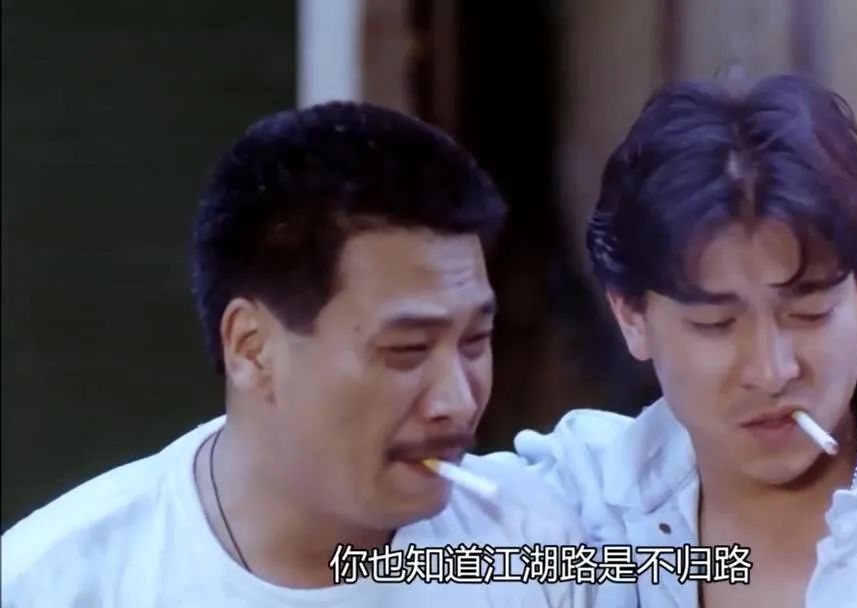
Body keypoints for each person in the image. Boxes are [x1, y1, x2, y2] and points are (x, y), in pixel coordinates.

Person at [511, 73, 857, 607]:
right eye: (715, 324)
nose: (772, 370)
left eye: (809, 313)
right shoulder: (578, 515)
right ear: (631, 316)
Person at [2, 101, 594, 607]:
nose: (457, 401)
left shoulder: (529, 548)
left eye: (475, 341)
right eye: (407, 349)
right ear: (253, 349)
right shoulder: (60, 585)